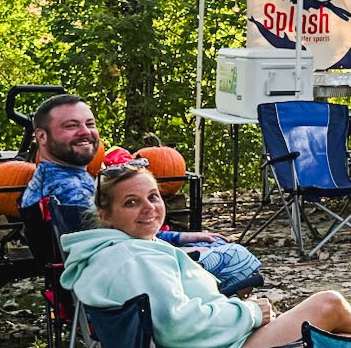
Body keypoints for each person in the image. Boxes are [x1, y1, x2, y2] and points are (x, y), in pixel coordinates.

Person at [60, 157, 351, 348]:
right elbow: (178, 325)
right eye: (131, 202)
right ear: (106, 216)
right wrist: (248, 312)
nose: (148, 208)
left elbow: (172, 319)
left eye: (153, 196)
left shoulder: (116, 253)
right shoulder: (136, 259)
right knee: (329, 305)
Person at [19, 95, 222, 248]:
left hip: (137, 261)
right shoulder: (69, 191)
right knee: (234, 258)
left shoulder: (62, 177)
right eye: (71, 126)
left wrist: (180, 237)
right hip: (133, 283)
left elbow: (124, 233)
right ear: (42, 137)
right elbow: (119, 248)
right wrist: (180, 251)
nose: (85, 132)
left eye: (90, 124)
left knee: (218, 247)